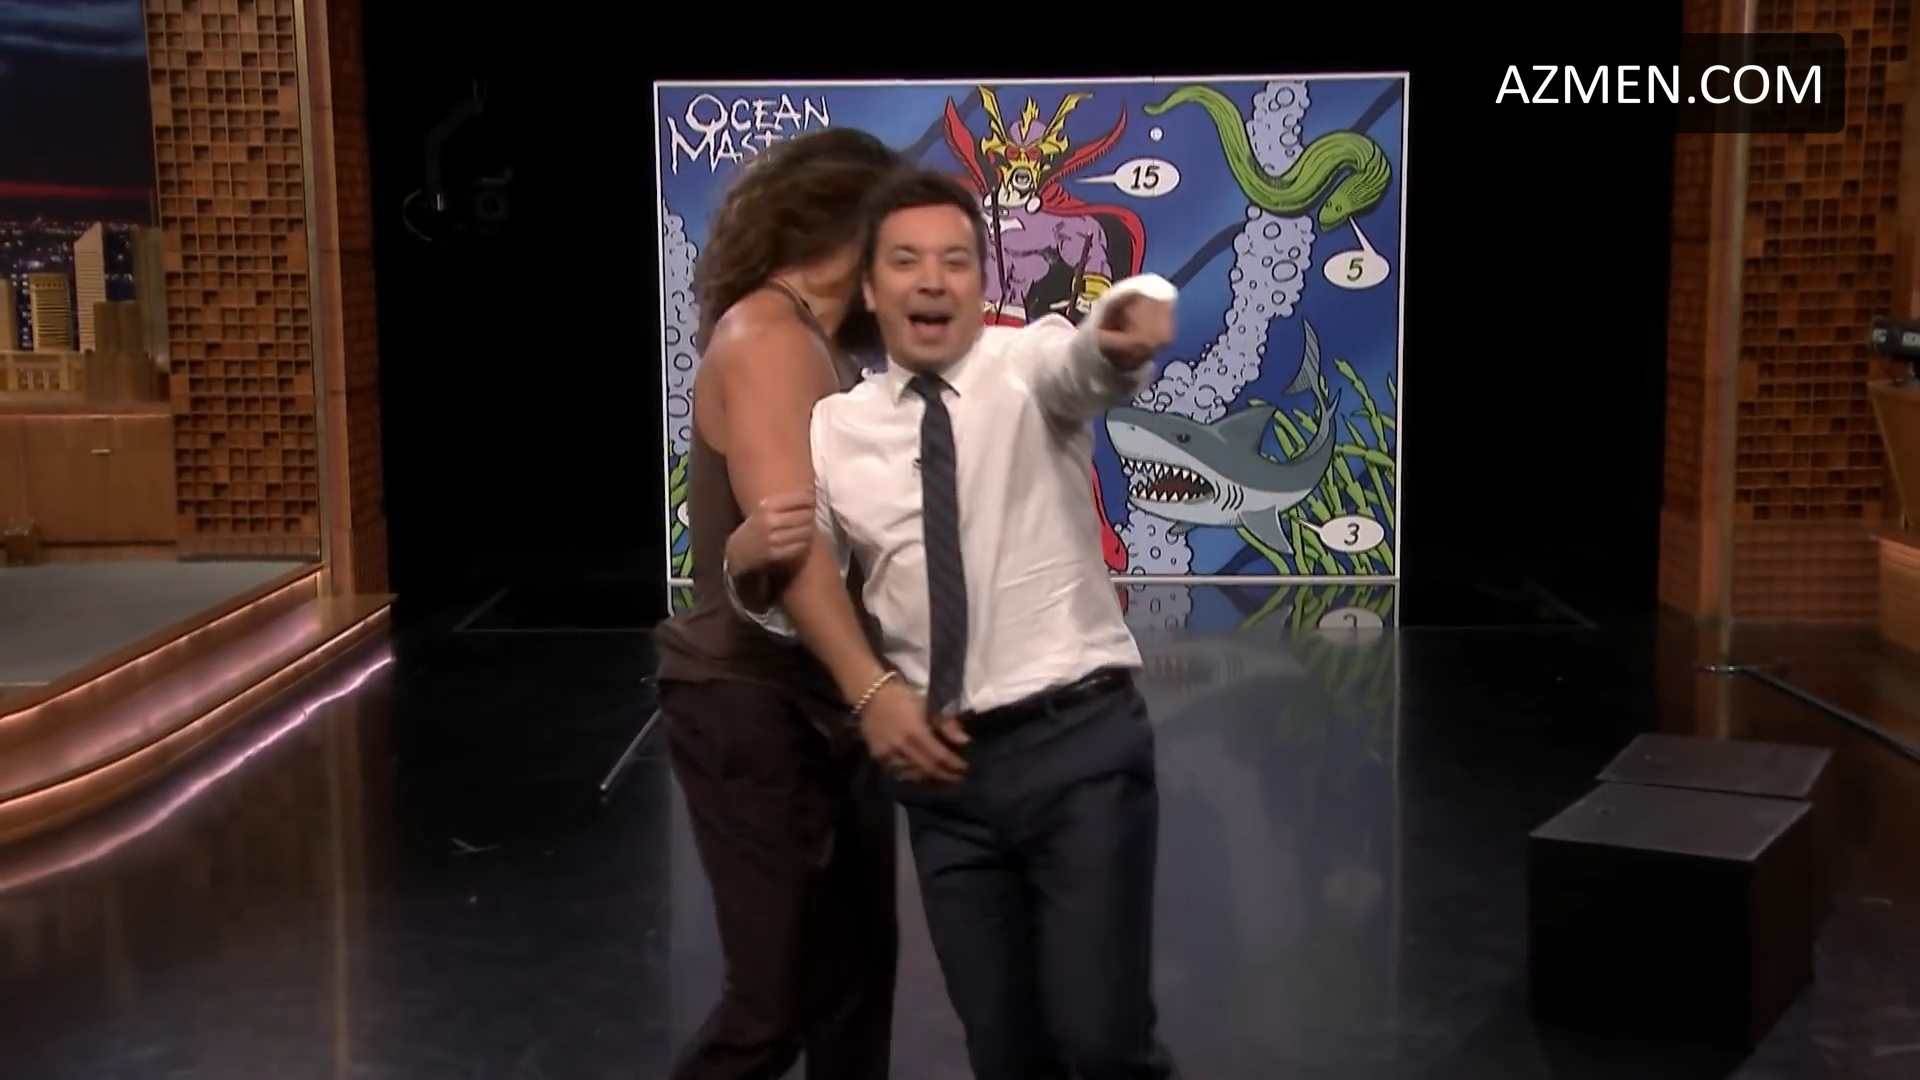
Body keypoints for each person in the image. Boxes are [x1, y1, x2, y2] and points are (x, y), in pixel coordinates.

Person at [722, 166, 1182, 1080]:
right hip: (947, 779)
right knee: (1003, 1054)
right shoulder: (837, 428)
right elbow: (805, 585)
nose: (931, 280)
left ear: (980, 281)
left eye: (955, 261)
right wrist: (743, 561)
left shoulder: (1028, 366)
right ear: (870, 287)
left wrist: (1121, 334)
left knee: (1102, 1045)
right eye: (905, 261)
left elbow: (1086, 365)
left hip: (1079, 752)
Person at [650, 127, 922, 1080]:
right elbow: (796, 548)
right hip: (751, 702)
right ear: (853, 233)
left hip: (817, 698)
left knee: (852, 983)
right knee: (775, 1002)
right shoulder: (768, 338)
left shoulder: (820, 344)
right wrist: (873, 691)